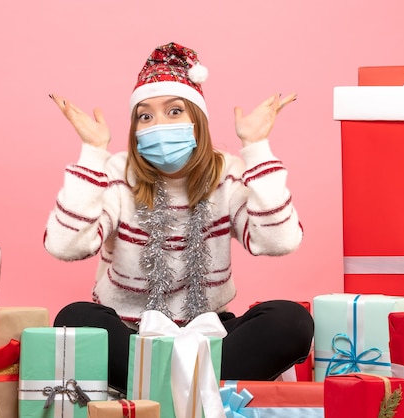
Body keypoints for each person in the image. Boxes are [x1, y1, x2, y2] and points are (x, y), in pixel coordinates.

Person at [44, 42, 314, 393]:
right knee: (74, 320)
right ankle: (195, 388)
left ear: (197, 122)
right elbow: (64, 245)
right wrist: (93, 154)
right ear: (135, 129)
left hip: (209, 332)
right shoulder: (115, 171)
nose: (158, 125)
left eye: (174, 112)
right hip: (132, 334)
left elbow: (280, 240)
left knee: (291, 321)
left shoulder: (227, 173)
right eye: (145, 116)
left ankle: (156, 387)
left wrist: (257, 145)